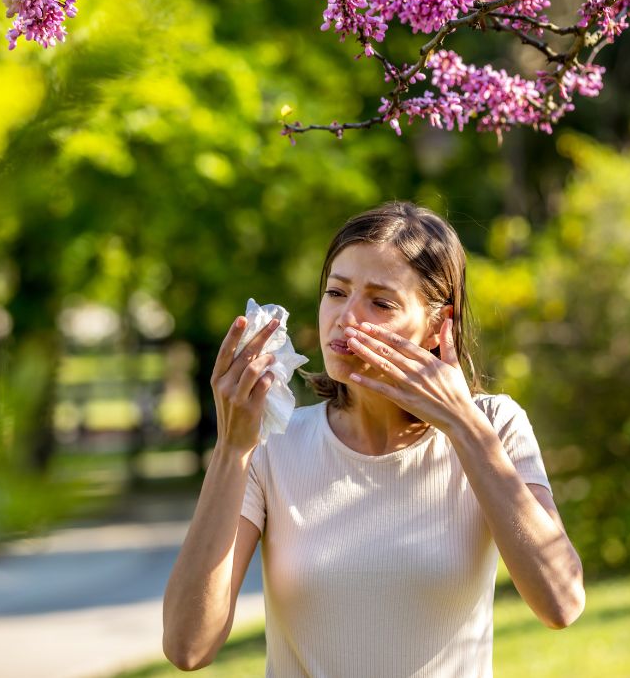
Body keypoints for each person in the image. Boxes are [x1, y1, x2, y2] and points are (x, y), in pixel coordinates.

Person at [162, 202, 585, 676]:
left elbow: (561, 603)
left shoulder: (494, 426)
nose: (345, 317)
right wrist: (231, 449)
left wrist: (464, 426)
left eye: (381, 302)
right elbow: (187, 647)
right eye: (336, 292)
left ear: (437, 325)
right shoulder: (273, 445)